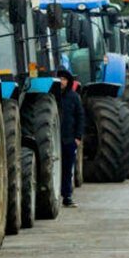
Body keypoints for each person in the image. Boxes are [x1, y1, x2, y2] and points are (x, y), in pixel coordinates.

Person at [57, 69, 84, 208]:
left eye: (64, 79)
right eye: (60, 79)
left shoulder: (74, 97)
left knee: (67, 169)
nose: (62, 82)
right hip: (56, 139)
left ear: (68, 81)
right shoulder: (53, 97)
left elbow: (80, 117)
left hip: (69, 139)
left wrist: (78, 137)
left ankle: (67, 196)